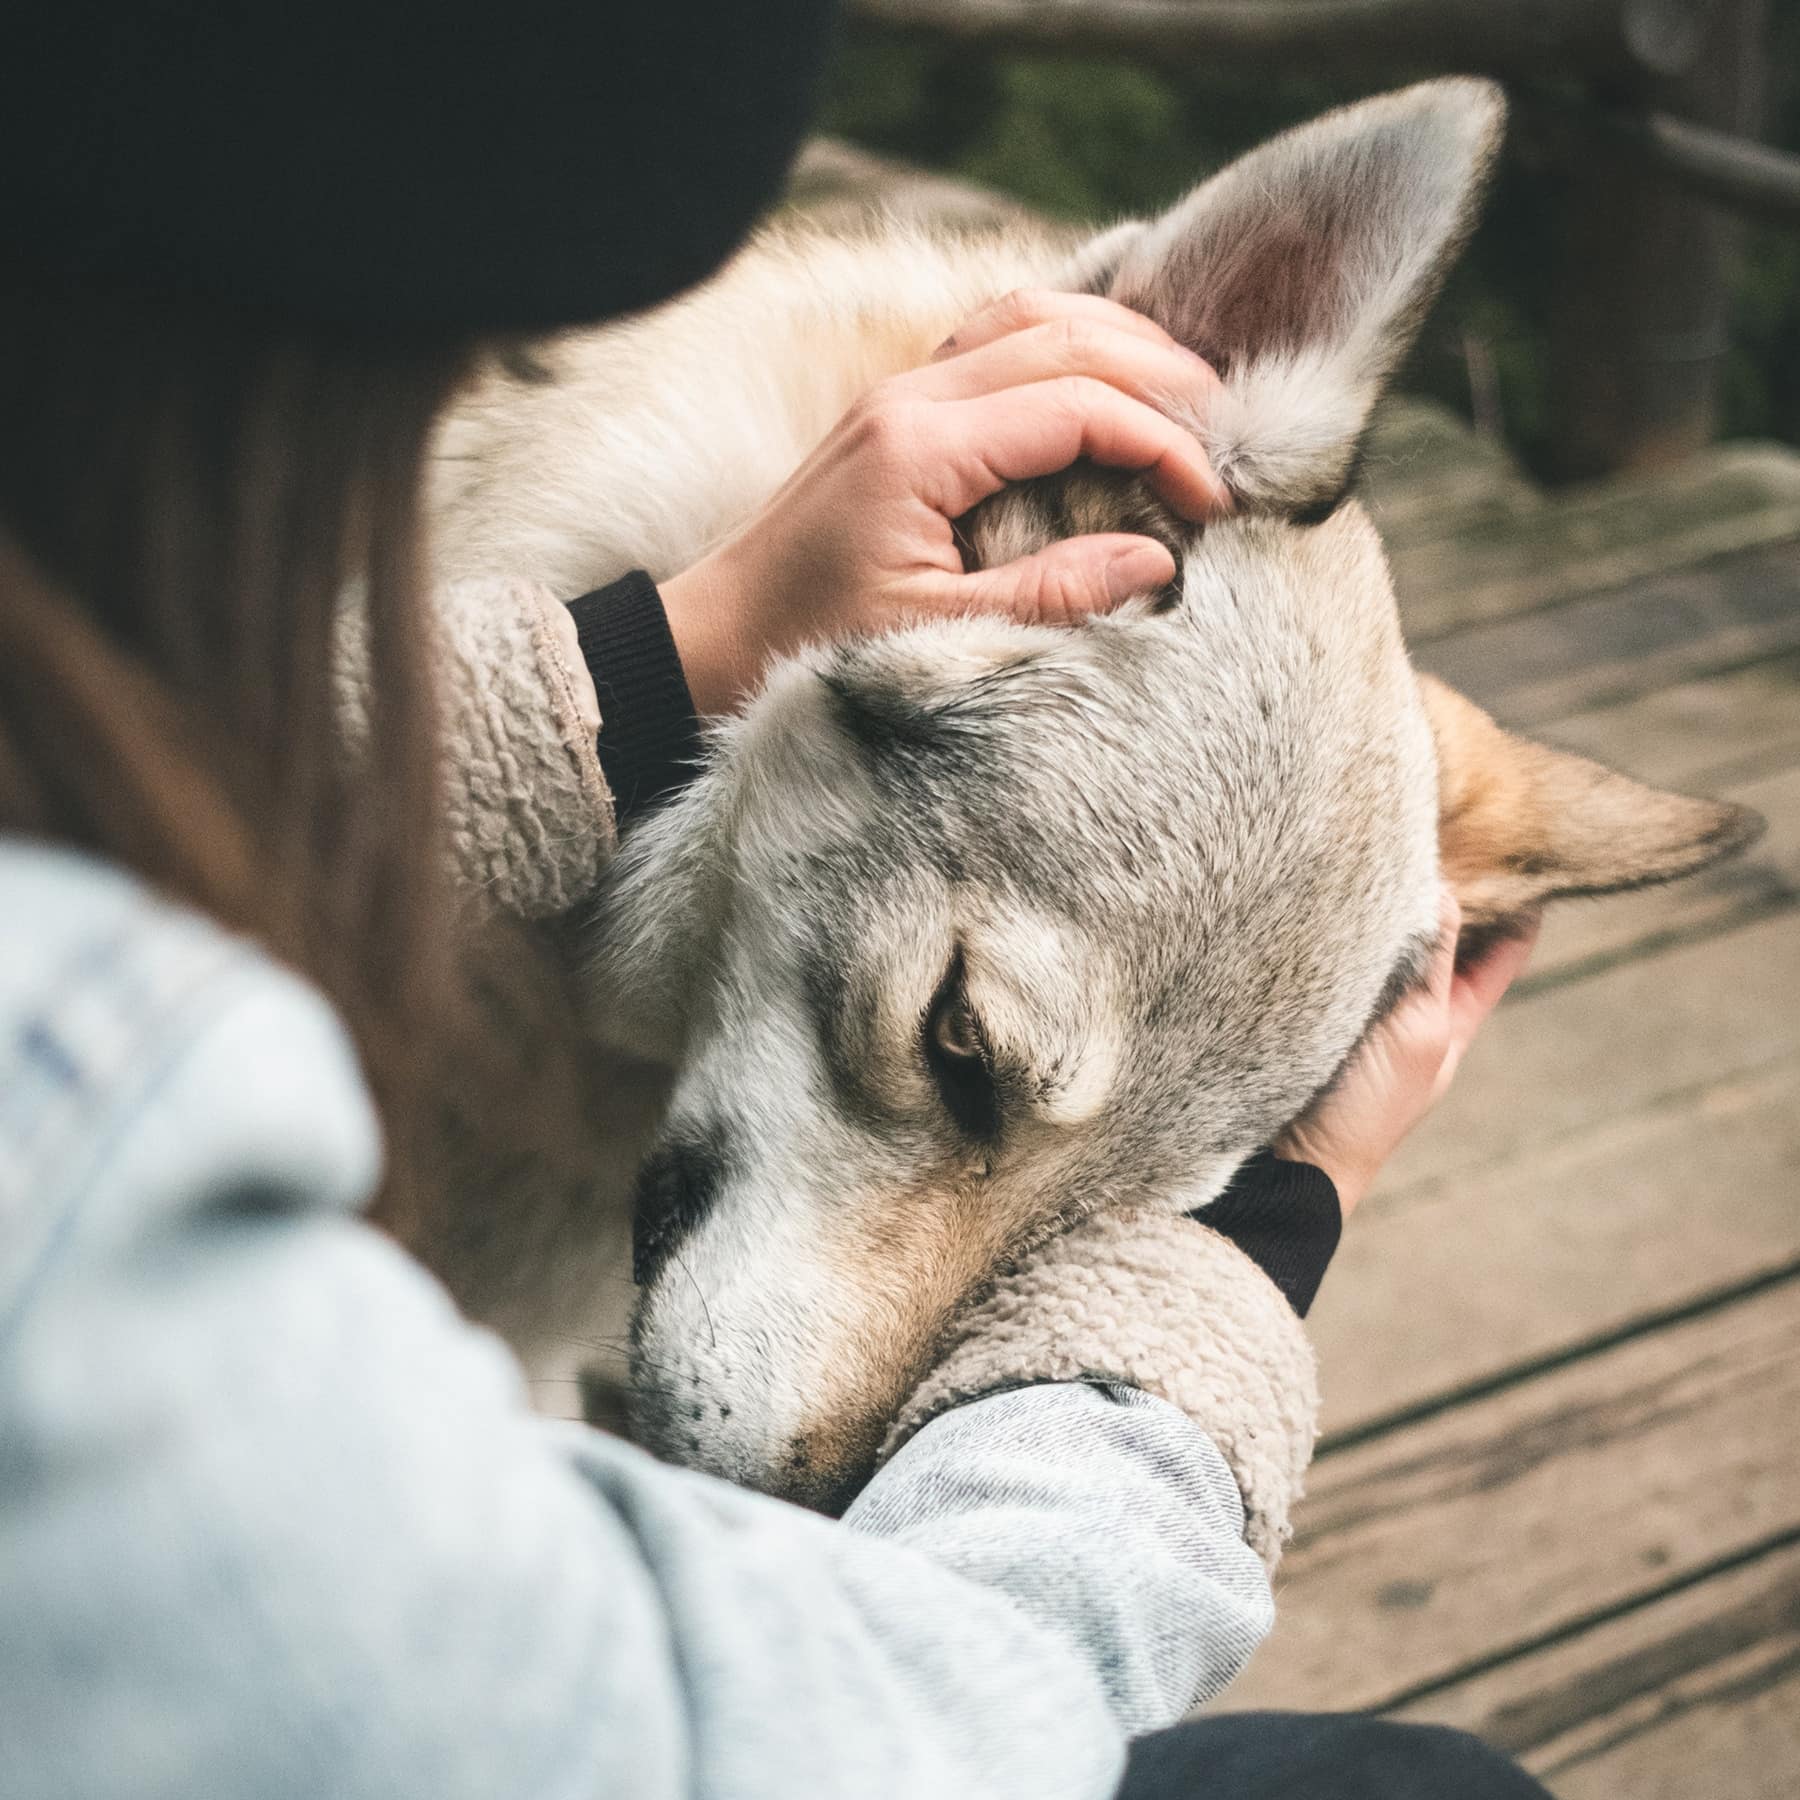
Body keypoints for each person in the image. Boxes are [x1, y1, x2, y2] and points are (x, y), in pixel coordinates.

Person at [0, 5, 1549, 1796]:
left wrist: (665, 661)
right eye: (956, 1047)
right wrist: (1215, 1290)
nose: (837, 1431)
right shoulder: (87, 1232)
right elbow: (843, 1748)